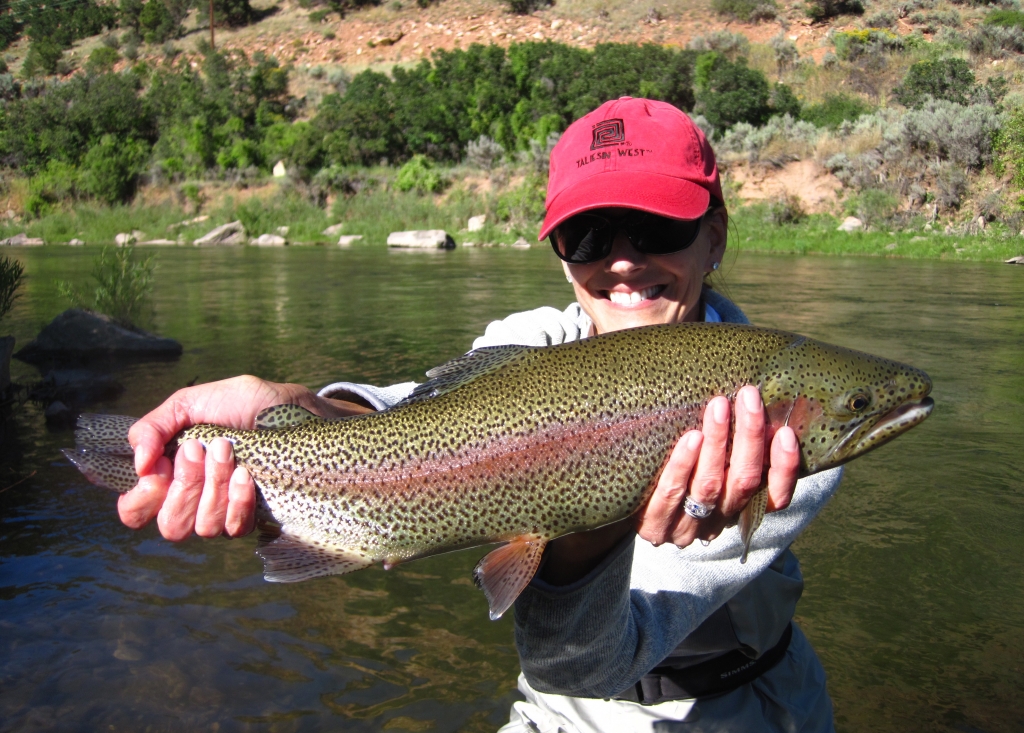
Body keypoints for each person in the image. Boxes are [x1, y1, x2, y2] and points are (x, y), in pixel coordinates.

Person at [118, 97, 842, 732]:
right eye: (589, 235)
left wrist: (577, 533)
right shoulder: (530, 343)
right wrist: (282, 406)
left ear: (715, 236)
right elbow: (410, 424)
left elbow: (590, 659)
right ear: (562, 257)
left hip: (746, 709)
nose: (622, 261)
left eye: (656, 226)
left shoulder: (770, 423)